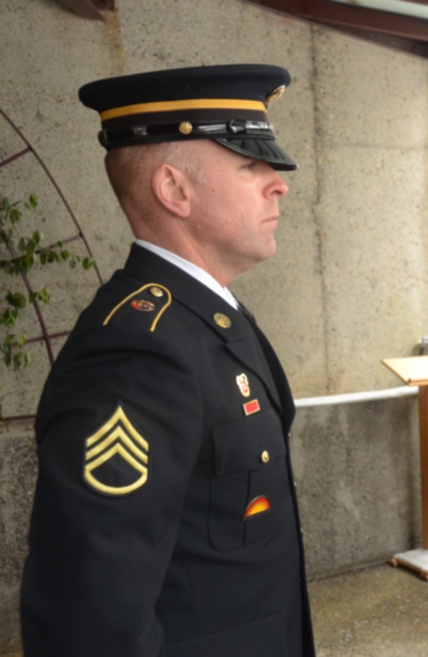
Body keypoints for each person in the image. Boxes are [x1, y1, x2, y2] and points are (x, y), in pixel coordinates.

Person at [19, 64, 316, 656]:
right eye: (251, 166)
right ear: (174, 190)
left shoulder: (206, 317)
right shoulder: (138, 352)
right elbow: (90, 616)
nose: (278, 183)